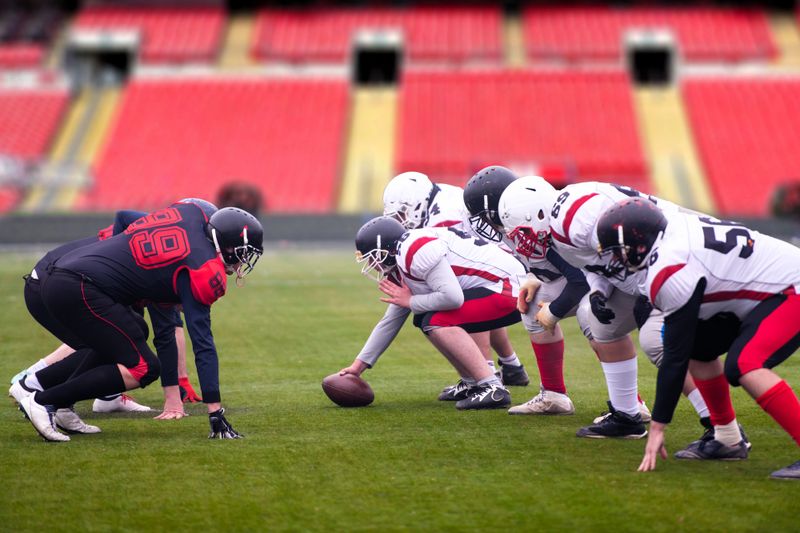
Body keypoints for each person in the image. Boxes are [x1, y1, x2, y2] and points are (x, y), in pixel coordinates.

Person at [11, 203, 262, 441]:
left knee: (133, 330)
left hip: (68, 276)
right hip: (78, 286)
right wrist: (215, 411)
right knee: (144, 367)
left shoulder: (188, 218)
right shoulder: (201, 266)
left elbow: (124, 219)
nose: (244, 260)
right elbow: (202, 343)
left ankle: (58, 401)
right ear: (228, 247)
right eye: (244, 252)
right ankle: (43, 400)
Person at [596, 198, 800, 478]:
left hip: (790, 287)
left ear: (640, 245)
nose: (615, 260)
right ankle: (727, 438)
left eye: (618, 252)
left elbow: (674, 357)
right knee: (698, 348)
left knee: (745, 364)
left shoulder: (668, 266)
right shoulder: (671, 234)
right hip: (764, 290)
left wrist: (658, 426)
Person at [339, 216, 525, 410]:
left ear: (389, 250)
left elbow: (452, 298)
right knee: (425, 317)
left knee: (435, 320)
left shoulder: (414, 251)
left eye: (373, 256)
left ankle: (492, 387)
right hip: (500, 287)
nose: (372, 263)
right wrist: (358, 366)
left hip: (510, 289)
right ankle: (472, 383)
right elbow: (390, 321)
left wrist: (411, 301)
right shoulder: (403, 257)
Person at [381, 171, 529, 398]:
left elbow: (466, 288)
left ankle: (486, 377)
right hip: (501, 271)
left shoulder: (442, 218)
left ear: (417, 205)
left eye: (402, 213)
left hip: (505, 270)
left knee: (454, 306)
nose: (400, 220)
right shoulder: (437, 195)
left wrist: (411, 301)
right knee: (468, 297)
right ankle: (510, 366)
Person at [467, 169, 589, 415]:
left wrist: (554, 311)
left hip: (600, 281)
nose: (485, 223)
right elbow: (536, 261)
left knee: (594, 317)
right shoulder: (515, 226)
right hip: (576, 278)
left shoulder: (539, 223)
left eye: (485, 216)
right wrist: (532, 278)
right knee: (533, 306)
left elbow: (581, 279)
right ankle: (554, 395)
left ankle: (630, 405)